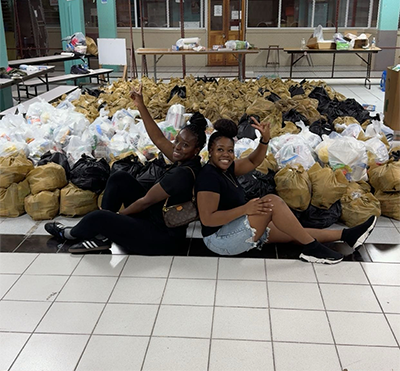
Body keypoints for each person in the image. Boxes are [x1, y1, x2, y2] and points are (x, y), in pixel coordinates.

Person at [45, 84, 207, 255]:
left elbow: (145, 201)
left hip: (162, 237)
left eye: (185, 145)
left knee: (99, 217)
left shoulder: (181, 174)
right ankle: (102, 236)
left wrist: (117, 216)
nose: (178, 147)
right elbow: (158, 138)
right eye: (178, 140)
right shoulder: (187, 159)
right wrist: (140, 105)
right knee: (119, 178)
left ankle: (68, 234)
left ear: (196, 150)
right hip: (157, 217)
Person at [196, 118, 377, 265]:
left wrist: (264, 140)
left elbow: (252, 162)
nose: (226, 155)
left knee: (293, 231)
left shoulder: (227, 168)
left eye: (229, 150)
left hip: (233, 226)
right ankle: (311, 249)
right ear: (210, 151)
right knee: (272, 202)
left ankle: (347, 235)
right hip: (219, 240)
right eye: (220, 150)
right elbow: (208, 219)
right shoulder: (208, 177)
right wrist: (244, 210)